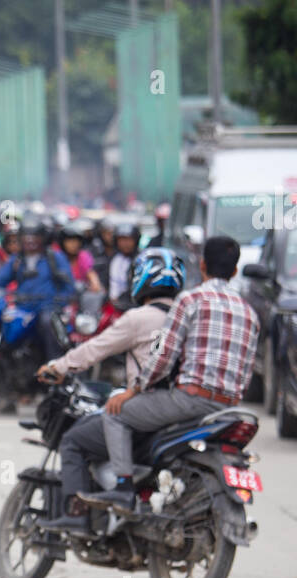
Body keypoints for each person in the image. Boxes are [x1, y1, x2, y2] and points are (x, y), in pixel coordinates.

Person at [83, 236, 259, 511]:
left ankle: (123, 488)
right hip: (228, 408)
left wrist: (133, 390)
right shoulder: (249, 312)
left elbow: (164, 356)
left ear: (202, 266)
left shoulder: (190, 300)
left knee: (114, 413)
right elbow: (247, 370)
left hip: (189, 401)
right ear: (235, 271)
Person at [36, 248, 186, 533]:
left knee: (73, 440)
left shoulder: (138, 318)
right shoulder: (187, 316)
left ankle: (78, 513)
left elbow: (95, 349)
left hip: (145, 410)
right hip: (179, 408)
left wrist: (58, 367)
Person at [0, 213, 76, 363]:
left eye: (34, 236)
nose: (30, 241)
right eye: (26, 236)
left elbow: (69, 285)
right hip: (23, 308)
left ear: (43, 238)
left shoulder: (54, 258)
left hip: (47, 307)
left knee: (47, 323)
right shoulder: (17, 259)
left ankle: (54, 366)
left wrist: (62, 299)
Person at [57, 219, 102, 293]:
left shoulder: (83, 256)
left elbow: (90, 273)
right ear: (63, 243)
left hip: (80, 297)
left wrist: (95, 284)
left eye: (76, 241)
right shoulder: (57, 257)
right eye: (69, 241)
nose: (73, 245)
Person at [106, 223, 140, 307]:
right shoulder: (114, 258)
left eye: (129, 240)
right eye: (122, 240)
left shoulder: (141, 260)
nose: (125, 243)